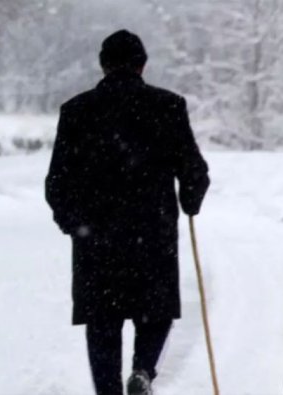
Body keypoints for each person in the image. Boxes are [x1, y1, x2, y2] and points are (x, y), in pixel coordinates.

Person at [45, 30, 210, 395]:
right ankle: (143, 371)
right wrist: (191, 199)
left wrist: (74, 224)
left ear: (103, 65)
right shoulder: (168, 106)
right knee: (155, 313)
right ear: (142, 65)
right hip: (152, 236)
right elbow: (194, 171)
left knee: (102, 323)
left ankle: (108, 390)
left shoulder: (76, 111)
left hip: (96, 240)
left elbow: (56, 183)